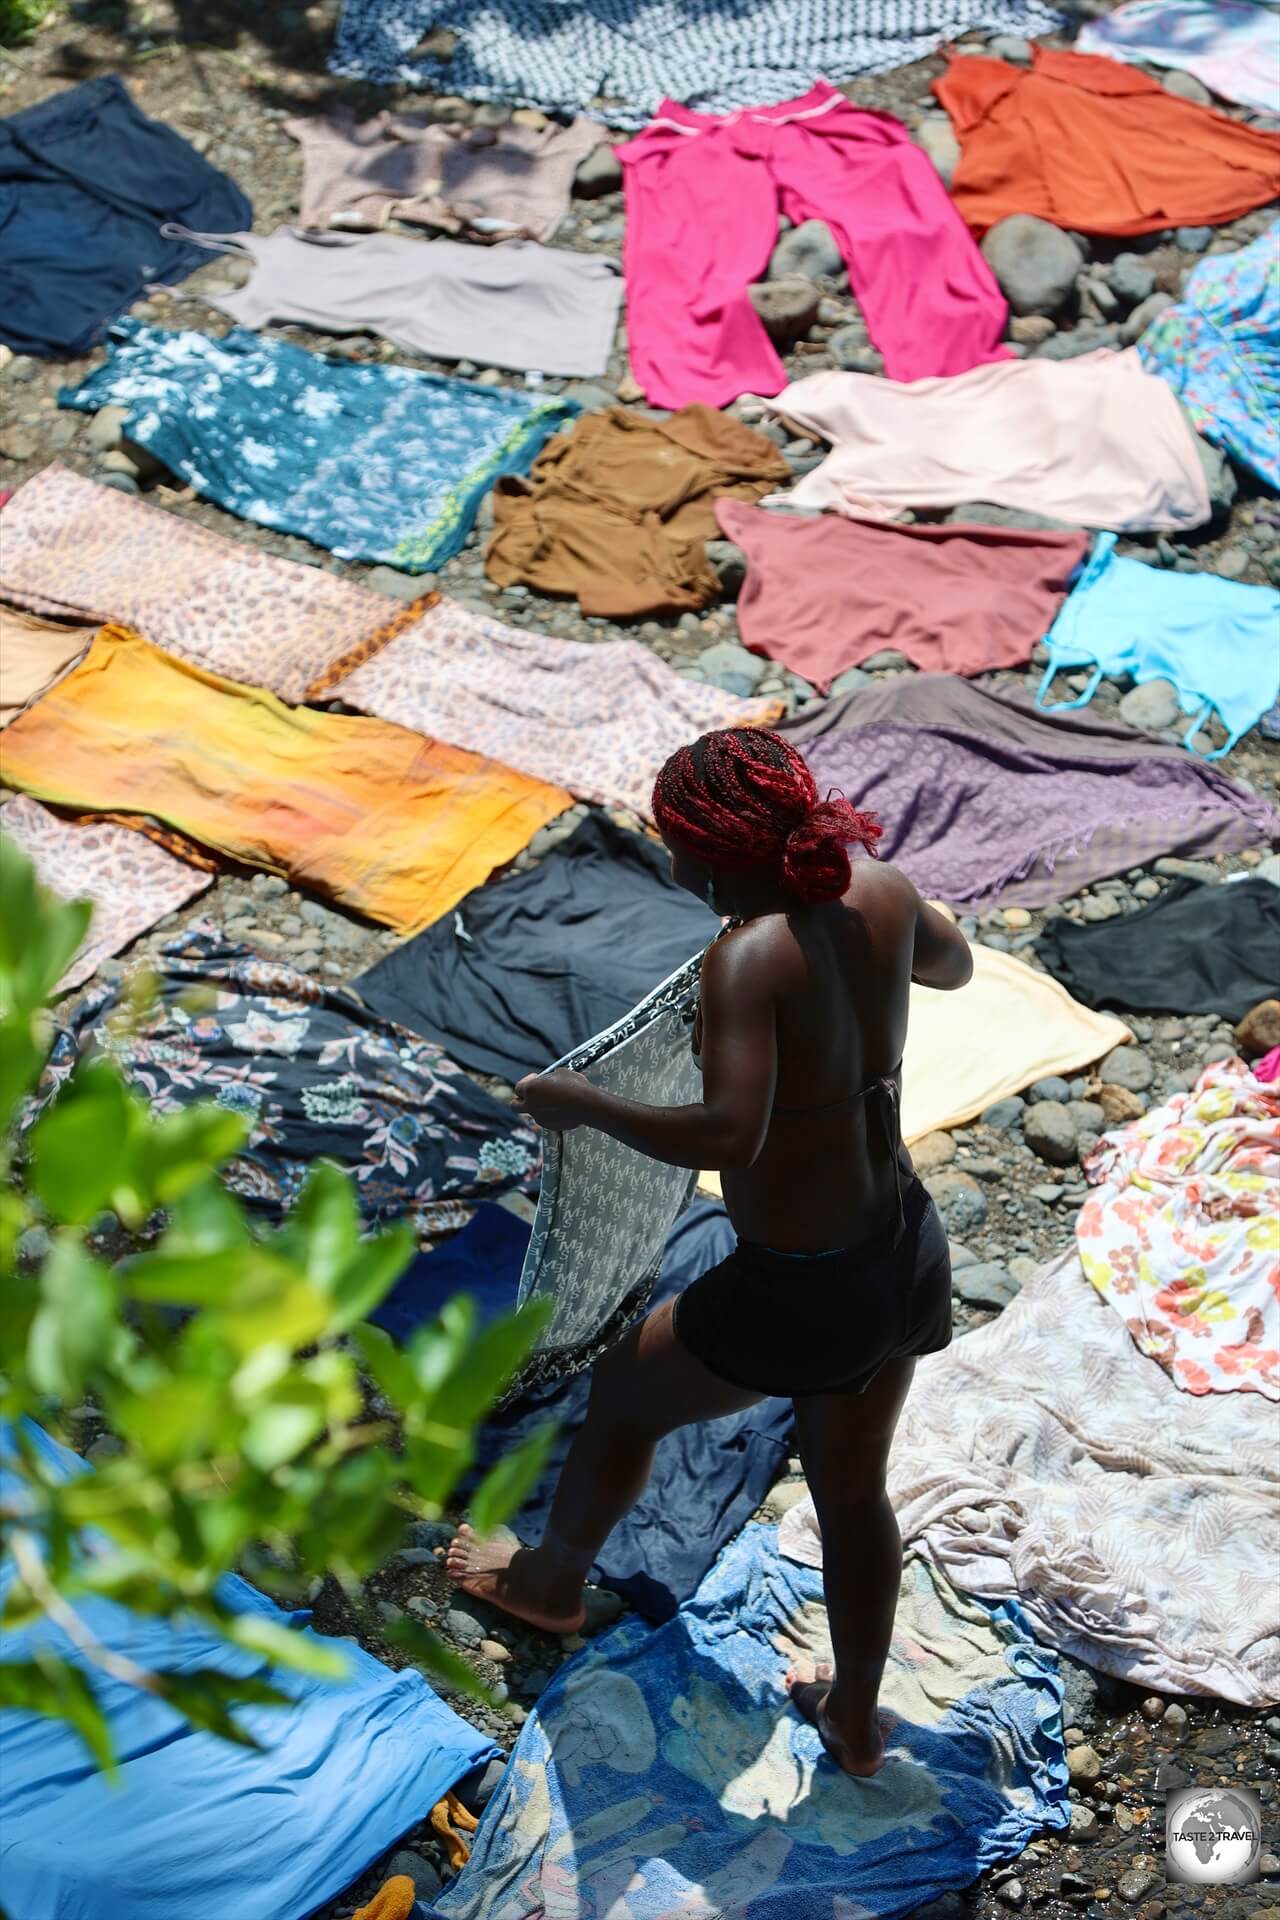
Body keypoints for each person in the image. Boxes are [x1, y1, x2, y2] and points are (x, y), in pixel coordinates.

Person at [447, 726, 972, 1777]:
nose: (672, 864)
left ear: (716, 854)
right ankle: (856, 1717)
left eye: (675, 845)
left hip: (801, 1284)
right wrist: (885, 905)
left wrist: (579, 1103)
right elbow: (951, 965)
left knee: (624, 1394)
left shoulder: (747, 957)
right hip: (901, 1245)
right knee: (849, 1488)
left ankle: (548, 1586)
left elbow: (728, 1134)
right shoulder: (875, 886)